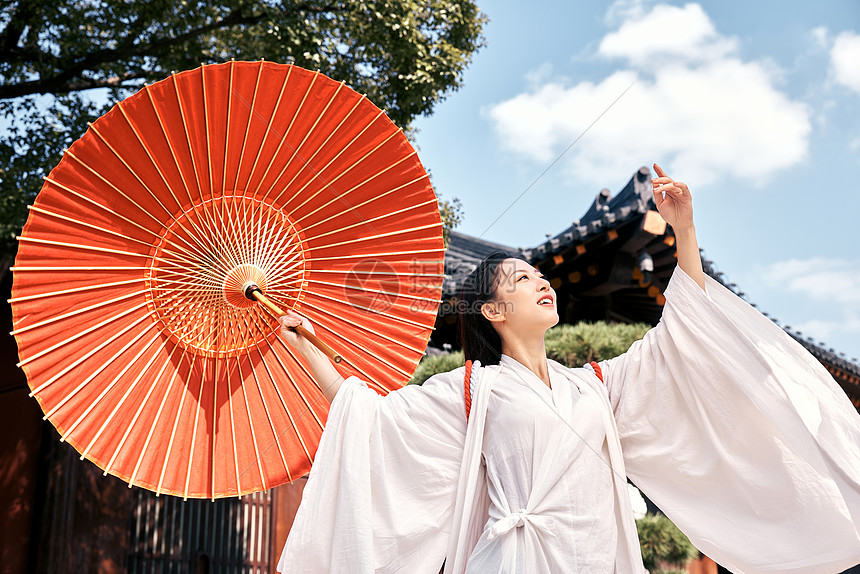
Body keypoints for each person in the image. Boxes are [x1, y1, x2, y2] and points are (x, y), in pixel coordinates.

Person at [276, 165, 860, 573]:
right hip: (515, 560)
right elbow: (374, 420)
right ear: (494, 310)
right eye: (525, 281)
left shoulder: (598, 385)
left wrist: (684, 231)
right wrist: (307, 344)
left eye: (541, 277)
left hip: (598, 556)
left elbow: (682, 336)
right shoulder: (475, 388)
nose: (544, 284)